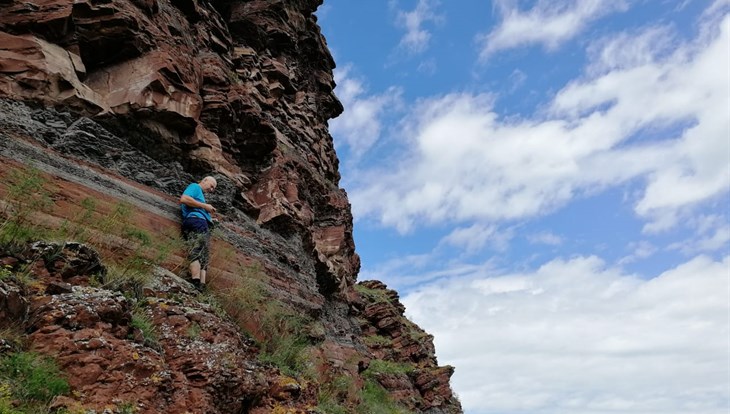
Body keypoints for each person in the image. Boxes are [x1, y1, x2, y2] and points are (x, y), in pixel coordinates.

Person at [179, 176, 217, 289]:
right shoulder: (195, 187)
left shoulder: (200, 195)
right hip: (196, 221)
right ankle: (195, 282)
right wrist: (205, 206)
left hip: (199, 222)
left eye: (214, 189)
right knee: (198, 249)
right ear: (204, 180)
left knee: (203, 254)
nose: (212, 190)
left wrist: (209, 218)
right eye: (211, 186)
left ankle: (201, 285)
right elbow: (184, 199)